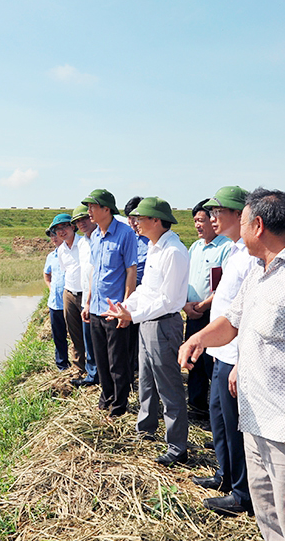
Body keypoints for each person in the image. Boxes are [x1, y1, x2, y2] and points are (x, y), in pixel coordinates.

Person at [179, 188, 285, 540]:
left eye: (240, 223)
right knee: (268, 511)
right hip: (255, 420)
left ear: (257, 225)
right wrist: (197, 339)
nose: (236, 231)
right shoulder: (258, 270)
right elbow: (233, 324)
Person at [103, 197, 189, 465]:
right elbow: (146, 290)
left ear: (156, 220)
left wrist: (134, 315)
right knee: (147, 381)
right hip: (148, 322)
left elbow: (167, 299)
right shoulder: (154, 247)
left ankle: (177, 448)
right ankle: (145, 429)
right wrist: (125, 308)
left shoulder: (173, 251)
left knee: (169, 387)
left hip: (164, 324)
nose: (135, 223)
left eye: (140, 218)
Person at [188, 186, 255, 516]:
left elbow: (249, 314)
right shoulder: (236, 252)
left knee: (235, 426)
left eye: (217, 212)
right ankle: (224, 476)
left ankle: (243, 495)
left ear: (238, 214)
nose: (212, 217)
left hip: (235, 356)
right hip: (221, 353)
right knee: (218, 419)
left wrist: (242, 359)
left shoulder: (250, 256)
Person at [80, 189, 137, 416]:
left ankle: (120, 404)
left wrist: (125, 307)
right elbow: (94, 272)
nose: (89, 212)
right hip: (95, 310)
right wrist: (87, 303)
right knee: (101, 358)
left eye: (93, 207)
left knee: (117, 360)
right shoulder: (95, 236)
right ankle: (106, 396)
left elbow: (130, 271)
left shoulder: (125, 234)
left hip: (114, 310)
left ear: (106, 209)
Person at [184, 199, 232, 421]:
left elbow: (222, 287)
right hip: (192, 313)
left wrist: (204, 305)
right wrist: (186, 304)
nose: (197, 225)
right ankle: (196, 405)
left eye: (201, 220)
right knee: (193, 362)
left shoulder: (226, 247)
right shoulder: (195, 247)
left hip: (213, 317)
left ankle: (217, 408)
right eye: (195, 221)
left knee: (210, 363)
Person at [51, 213, 90, 375]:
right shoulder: (61, 250)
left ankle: (94, 367)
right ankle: (79, 367)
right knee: (74, 333)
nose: (61, 231)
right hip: (69, 294)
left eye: (65, 227)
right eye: (57, 229)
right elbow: (66, 271)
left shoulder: (84, 244)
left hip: (85, 294)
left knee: (89, 332)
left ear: (73, 227)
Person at [71, 205, 99, 387]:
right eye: (77, 221)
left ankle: (104, 375)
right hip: (85, 298)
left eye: (84, 219)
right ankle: (92, 374)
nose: (81, 223)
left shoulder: (100, 239)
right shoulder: (81, 244)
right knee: (88, 338)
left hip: (102, 298)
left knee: (101, 340)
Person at [124, 196, 149, 378]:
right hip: (129, 291)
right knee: (130, 332)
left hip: (147, 293)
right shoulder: (127, 237)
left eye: (135, 218)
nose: (132, 222)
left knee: (145, 332)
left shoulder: (152, 239)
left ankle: (144, 367)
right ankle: (132, 367)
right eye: (129, 218)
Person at [44, 225, 69, 371]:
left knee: (77, 335)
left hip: (71, 302)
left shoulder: (71, 252)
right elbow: (46, 274)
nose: (53, 238)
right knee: (58, 336)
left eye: (55, 234)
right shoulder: (50, 256)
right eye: (51, 235)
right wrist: (50, 287)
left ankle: (82, 363)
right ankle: (62, 364)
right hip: (55, 303)